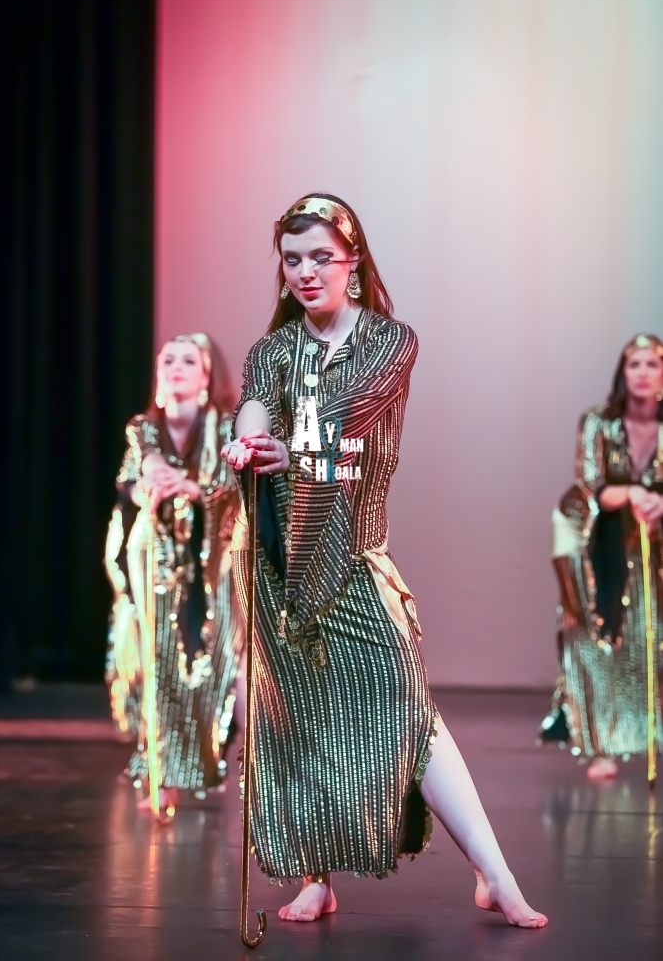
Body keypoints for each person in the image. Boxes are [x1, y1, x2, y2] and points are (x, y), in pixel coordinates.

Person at [222, 193, 547, 927]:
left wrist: (288, 449)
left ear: (354, 262)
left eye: (321, 257)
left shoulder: (389, 341)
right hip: (275, 563)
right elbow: (256, 401)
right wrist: (245, 437)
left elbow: (352, 410)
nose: (306, 272)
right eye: (293, 259)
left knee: (408, 708)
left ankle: (493, 873)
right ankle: (315, 878)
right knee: (297, 723)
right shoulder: (273, 351)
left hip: (352, 558)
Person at [105, 333, 243, 811]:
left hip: (212, 563)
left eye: (188, 361)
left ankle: (205, 763)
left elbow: (228, 488)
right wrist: (148, 486)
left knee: (215, 664)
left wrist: (189, 486)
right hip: (158, 559)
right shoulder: (144, 428)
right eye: (168, 360)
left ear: (206, 376)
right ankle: (159, 771)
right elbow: (130, 482)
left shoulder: (225, 428)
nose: (176, 368)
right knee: (159, 660)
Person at [540, 334, 663, 780]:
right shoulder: (599, 421)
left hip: (647, 539)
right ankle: (598, 744)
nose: (643, 373)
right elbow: (590, 483)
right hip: (592, 538)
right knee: (592, 634)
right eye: (635, 365)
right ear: (622, 373)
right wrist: (631, 494)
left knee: (648, 633)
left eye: (652, 364)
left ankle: (645, 736)